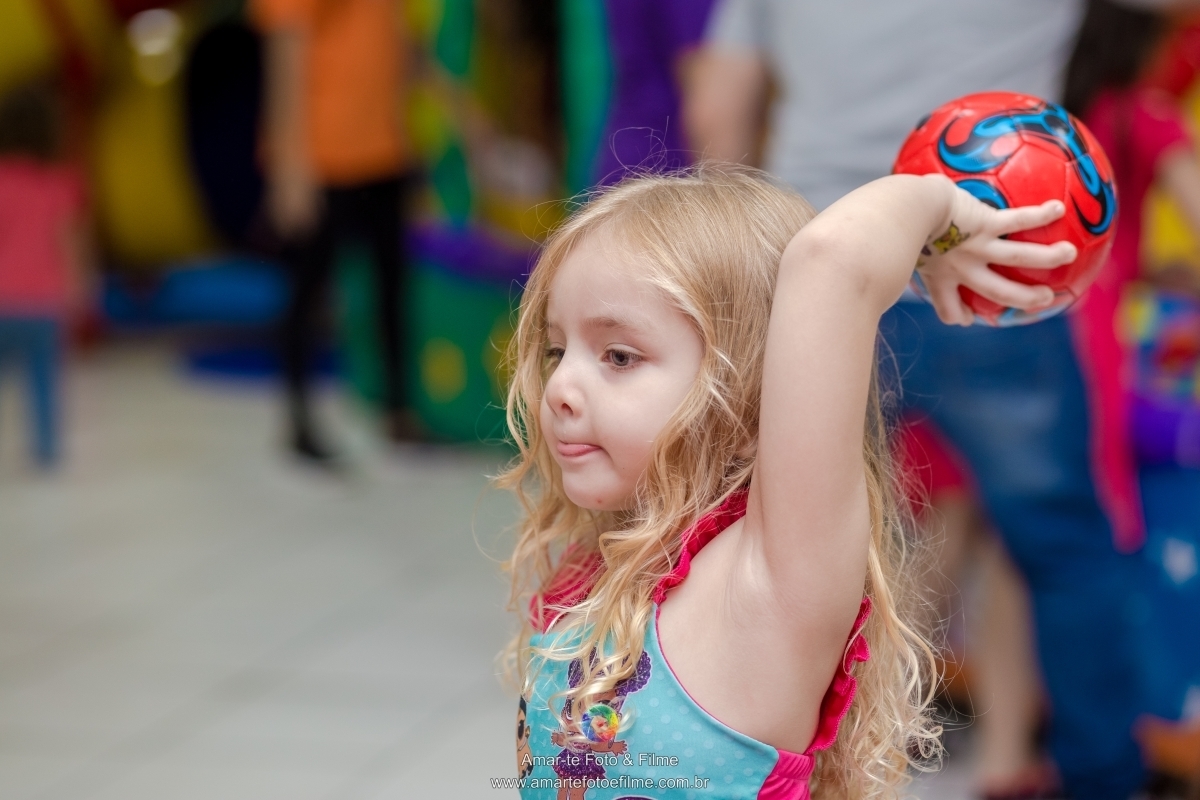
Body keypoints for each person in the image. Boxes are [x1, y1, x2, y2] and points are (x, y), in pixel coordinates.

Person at [684, 2, 1189, 796]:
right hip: (995, 280)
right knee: (1064, 550)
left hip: (820, 274)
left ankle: (740, 767)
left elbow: (721, 104)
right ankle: (1102, 778)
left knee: (767, 542)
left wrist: (733, 289)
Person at [499, 164, 1076, 798]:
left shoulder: (766, 584)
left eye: (618, 356)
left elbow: (831, 262)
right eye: (558, 350)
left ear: (752, 395)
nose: (559, 388)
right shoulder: (610, 571)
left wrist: (942, 207)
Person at [250, 0, 420, 463]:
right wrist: (289, 166)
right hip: (321, 155)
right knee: (307, 292)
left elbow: (392, 41)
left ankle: (398, 410)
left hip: (382, 148)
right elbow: (284, 56)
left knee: (393, 286)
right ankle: (300, 419)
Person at [0, 81, 90, 468]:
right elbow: (70, 243)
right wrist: (79, 292)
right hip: (43, 304)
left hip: (2, 301)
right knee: (44, 381)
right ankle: (47, 450)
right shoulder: (61, 182)